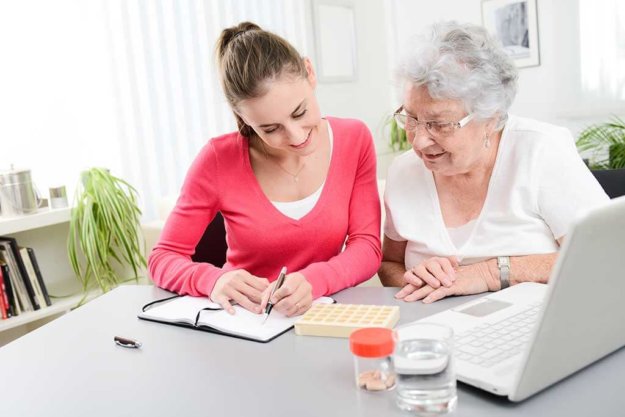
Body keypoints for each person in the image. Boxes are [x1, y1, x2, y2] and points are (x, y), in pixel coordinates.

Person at [149, 22, 381, 317]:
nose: (296, 136)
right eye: (270, 129)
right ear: (242, 116)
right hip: (245, 325)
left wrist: (314, 281)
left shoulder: (354, 139)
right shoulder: (217, 160)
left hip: (324, 317)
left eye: (300, 112)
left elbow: (368, 247)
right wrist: (214, 279)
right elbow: (163, 258)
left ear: (309, 73)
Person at [379, 21, 608, 303]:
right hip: (438, 331)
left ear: (490, 118)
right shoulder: (403, 172)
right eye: (412, 118)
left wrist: (489, 273)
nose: (418, 141)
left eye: (439, 124)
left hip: (538, 329)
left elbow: (605, 255)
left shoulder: (540, 150)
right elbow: (389, 264)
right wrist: (414, 279)